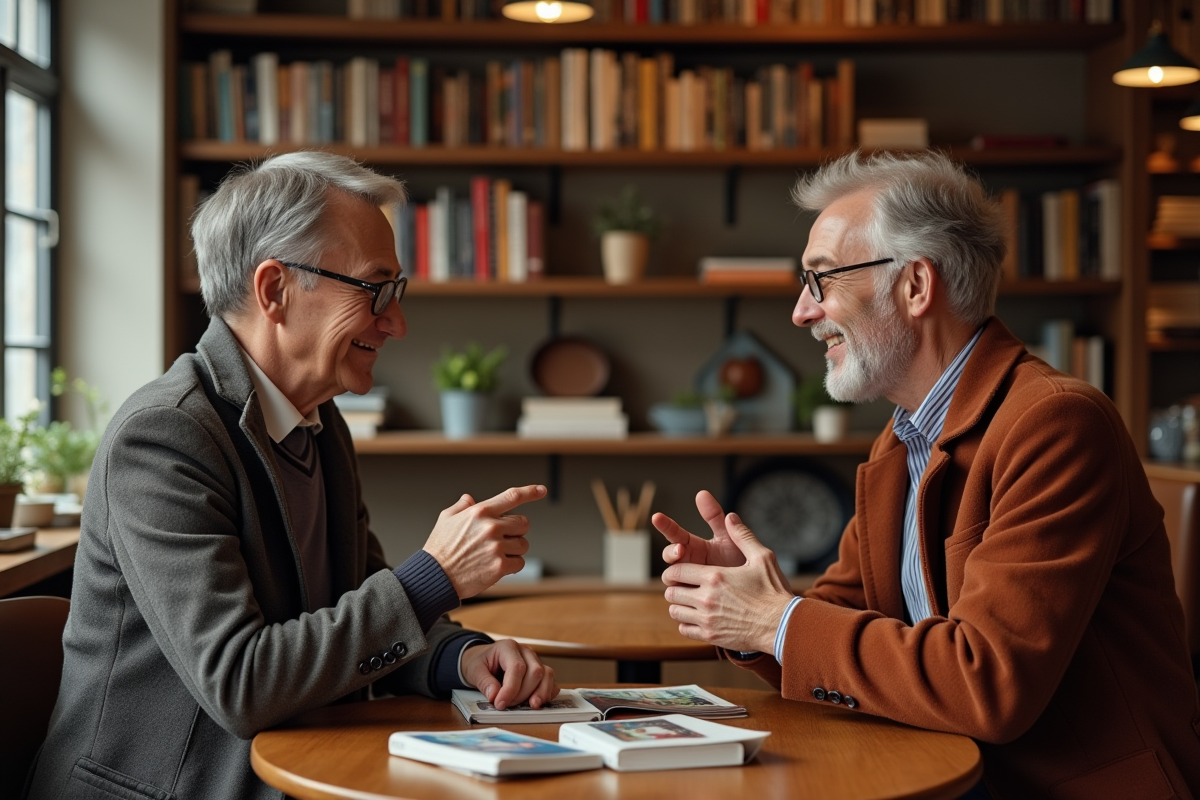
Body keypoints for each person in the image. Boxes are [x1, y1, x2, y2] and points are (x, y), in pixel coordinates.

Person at [654, 151, 1200, 798]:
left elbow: (988, 682)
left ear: (916, 286)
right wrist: (749, 611)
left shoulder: (1055, 425)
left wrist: (774, 621)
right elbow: (840, 615)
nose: (802, 312)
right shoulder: (905, 436)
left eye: (822, 279)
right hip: (945, 770)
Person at [27, 152, 557, 800]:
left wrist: (460, 658)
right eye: (374, 289)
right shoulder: (163, 437)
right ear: (275, 290)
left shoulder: (317, 420)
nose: (396, 322)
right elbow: (241, 682)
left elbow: (355, 603)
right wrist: (433, 577)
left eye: (398, 291)